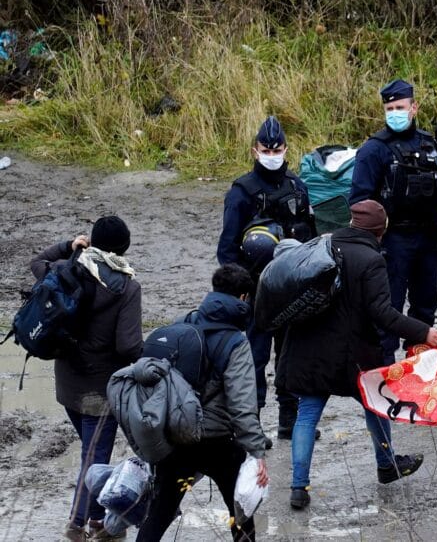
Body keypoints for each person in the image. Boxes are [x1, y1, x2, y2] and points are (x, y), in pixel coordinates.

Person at [275, 200, 437, 510]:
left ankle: (298, 487)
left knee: (307, 415)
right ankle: (387, 464)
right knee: (375, 404)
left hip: (308, 347)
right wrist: (423, 332)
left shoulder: (325, 243)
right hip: (350, 353)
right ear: (381, 231)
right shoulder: (371, 260)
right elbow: (382, 312)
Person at [29, 217, 142, 542]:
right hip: (101, 393)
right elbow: (128, 345)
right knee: (94, 459)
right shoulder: (127, 287)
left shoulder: (67, 268)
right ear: (124, 247)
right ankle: (78, 525)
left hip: (67, 385)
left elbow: (37, 261)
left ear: (91, 241)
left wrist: (68, 245)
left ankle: (95, 519)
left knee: (91, 455)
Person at [137, 264, 269, 542]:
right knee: (241, 513)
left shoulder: (181, 323)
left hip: (175, 437)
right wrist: (257, 453)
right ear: (244, 298)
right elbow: (242, 406)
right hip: (217, 440)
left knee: (159, 514)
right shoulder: (236, 342)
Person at [216, 115, 317, 444]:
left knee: (290, 355)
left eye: (277, 148)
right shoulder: (242, 192)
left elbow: (312, 239)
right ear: (254, 150)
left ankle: (289, 420)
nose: (272, 153)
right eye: (265, 148)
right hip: (256, 288)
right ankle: (252, 425)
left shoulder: (297, 188)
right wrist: (241, 290)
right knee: (254, 359)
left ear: (286, 149)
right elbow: (227, 249)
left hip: (291, 286)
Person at [349, 79, 437, 363]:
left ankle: (418, 370)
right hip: (392, 242)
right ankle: (385, 375)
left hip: (428, 239)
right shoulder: (374, 150)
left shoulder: (428, 143)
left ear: (414, 107)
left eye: (400, 107)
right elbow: (358, 203)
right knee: (388, 311)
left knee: (425, 306)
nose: (395, 112)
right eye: (390, 108)